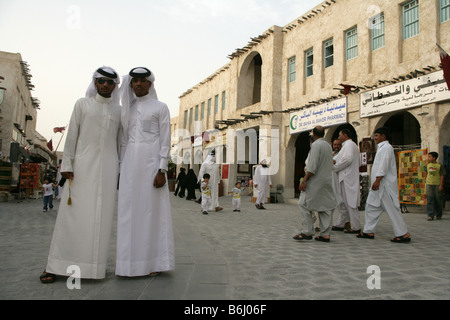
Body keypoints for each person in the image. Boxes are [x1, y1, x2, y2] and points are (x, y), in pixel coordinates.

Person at [40, 66, 121, 283]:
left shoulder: (119, 111)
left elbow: (120, 143)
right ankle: (56, 265)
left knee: (101, 219)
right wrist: (67, 164)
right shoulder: (82, 104)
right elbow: (72, 136)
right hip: (81, 168)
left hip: (108, 169)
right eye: (101, 80)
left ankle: (94, 269)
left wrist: (121, 171)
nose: (105, 85)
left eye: (110, 82)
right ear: (95, 82)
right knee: (72, 215)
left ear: (115, 86)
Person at [116, 67, 175, 277]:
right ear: (130, 84)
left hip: (152, 167)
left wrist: (162, 169)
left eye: (142, 80)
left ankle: (153, 263)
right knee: (128, 214)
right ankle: (127, 264)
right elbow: (123, 142)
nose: (138, 84)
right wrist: (121, 170)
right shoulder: (127, 110)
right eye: (134, 81)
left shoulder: (160, 107)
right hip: (130, 167)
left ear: (150, 83)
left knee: (151, 213)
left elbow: (165, 140)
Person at [357, 127, 411, 243]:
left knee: (392, 209)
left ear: (383, 136)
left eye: (377, 136)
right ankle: (368, 231)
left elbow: (384, 166)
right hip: (378, 185)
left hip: (384, 185)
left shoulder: (387, 148)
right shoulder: (381, 148)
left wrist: (378, 180)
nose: (375, 138)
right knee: (371, 206)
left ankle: (403, 233)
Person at [293, 126, 336, 243]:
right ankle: (325, 234)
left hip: (315, 181)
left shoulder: (316, 145)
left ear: (314, 134)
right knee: (325, 207)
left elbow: (312, 167)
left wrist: (304, 180)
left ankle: (307, 231)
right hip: (326, 180)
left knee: (303, 203)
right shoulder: (327, 145)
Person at [332, 129, 361, 233]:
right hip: (343, 178)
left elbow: (347, 159)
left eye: (340, 135)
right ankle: (341, 223)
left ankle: (356, 226)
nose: (339, 137)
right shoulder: (346, 145)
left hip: (348, 178)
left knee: (351, 203)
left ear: (345, 135)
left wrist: (335, 167)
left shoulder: (349, 145)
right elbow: (339, 159)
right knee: (343, 202)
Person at [425, 152, 446, 221]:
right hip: (429, 184)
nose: (429, 158)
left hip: (437, 184)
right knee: (430, 199)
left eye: (430, 157)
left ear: (434, 158)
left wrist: (441, 185)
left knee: (438, 199)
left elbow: (442, 175)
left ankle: (438, 214)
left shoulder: (439, 165)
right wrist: (425, 182)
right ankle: (430, 215)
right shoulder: (428, 165)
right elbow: (426, 173)